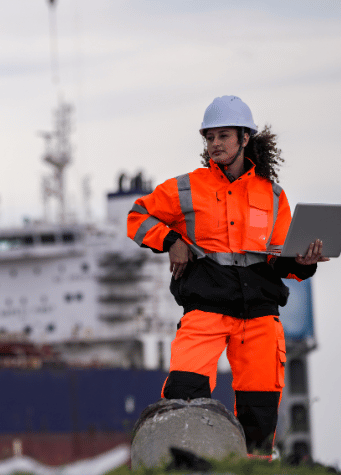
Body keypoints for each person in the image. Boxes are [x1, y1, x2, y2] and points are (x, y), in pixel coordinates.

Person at [126, 95, 328, 455]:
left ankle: (252, 467)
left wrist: (305, 260)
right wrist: (171, 239)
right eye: (209, 138)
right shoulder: (186, 188)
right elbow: (137, 217)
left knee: (260, 416)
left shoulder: (273, 195)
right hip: (206, 307)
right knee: (182, 397)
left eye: (223, 136)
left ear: (244, 138)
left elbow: (279, 259)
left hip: (260, 316)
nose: (215, 145)